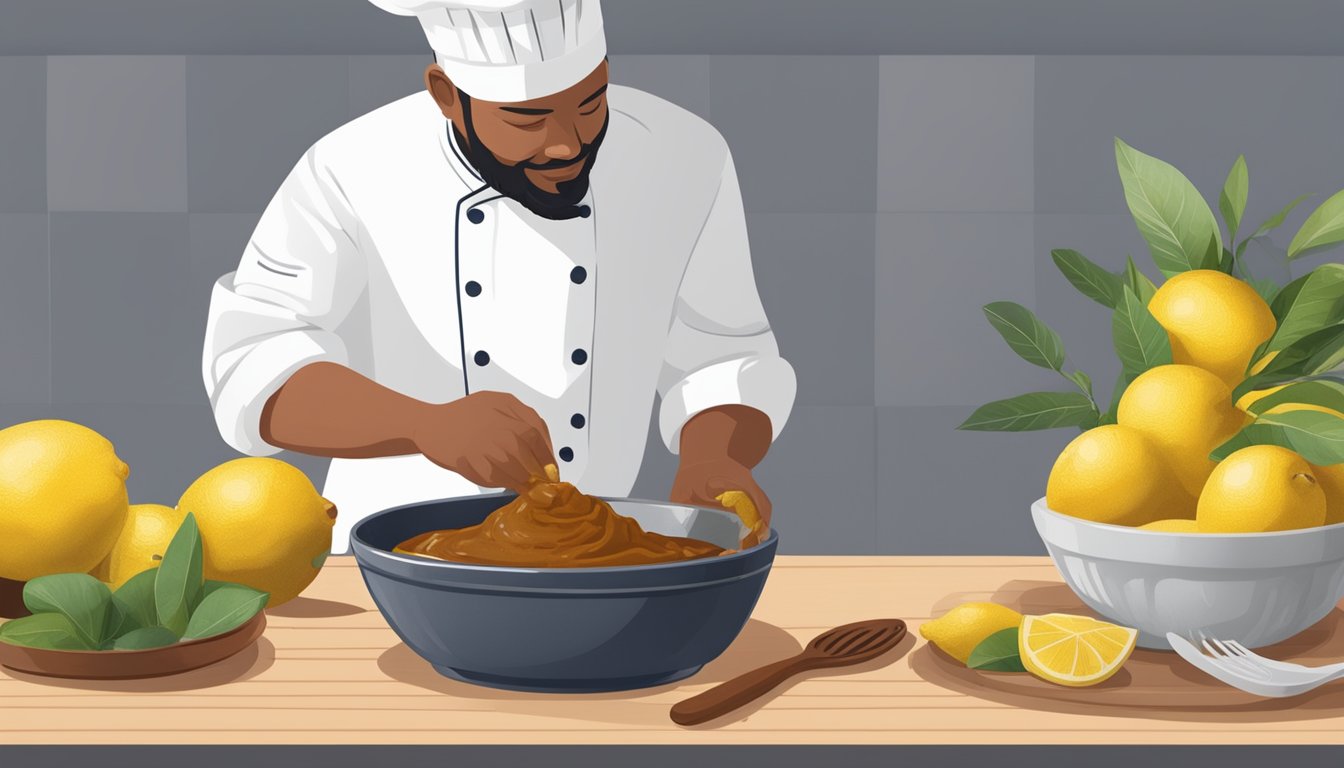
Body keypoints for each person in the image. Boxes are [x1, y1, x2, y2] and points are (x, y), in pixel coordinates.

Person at [202, 0, 796, 552]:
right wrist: (423, 424)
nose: (567, 143)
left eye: (591, 102)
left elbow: (722, 355)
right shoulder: (350, 169)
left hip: (595, 548)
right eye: (527, 118)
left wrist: (712, 458)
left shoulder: (684, 156)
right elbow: (252, 359)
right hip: (384, 560)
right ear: (445, 93)